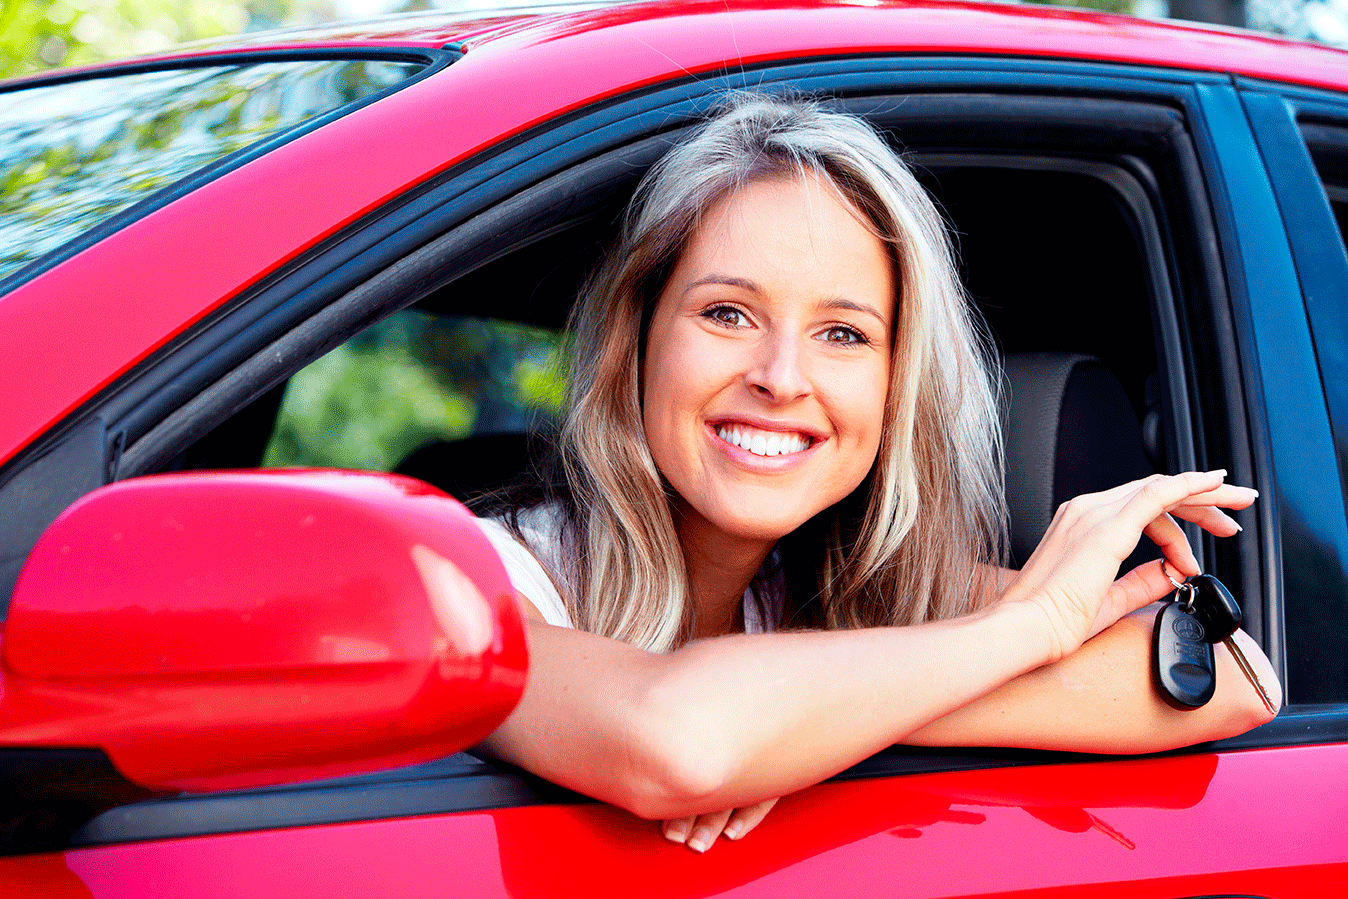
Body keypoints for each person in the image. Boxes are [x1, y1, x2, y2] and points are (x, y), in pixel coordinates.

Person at [473, 92, 1279, 853]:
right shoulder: (472, 584)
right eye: (727, 313)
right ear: (637, 340)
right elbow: (678, 739)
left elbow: (1240, 679)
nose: (782, 377)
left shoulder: (822, 588)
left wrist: (811, 717)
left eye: (844, 334)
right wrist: (1025, 629)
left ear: (898, 389)